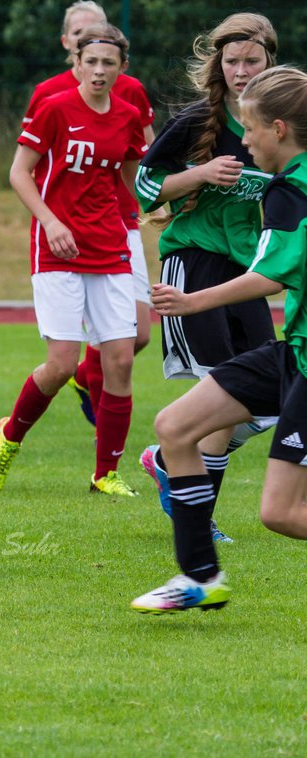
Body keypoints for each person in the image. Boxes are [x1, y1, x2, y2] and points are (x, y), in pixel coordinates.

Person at [132, 64, 307, 614]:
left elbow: (273, 274)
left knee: (280, 513)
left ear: (279, 129)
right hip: (294, 350)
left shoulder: (290, 190)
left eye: (251, 128)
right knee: (176, 427)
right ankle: (200, 576)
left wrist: (190, 301)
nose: (245, 138)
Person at [0, 23, 149, 496]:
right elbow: (19, 173)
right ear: (76, 62)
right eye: (90, 61)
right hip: (57, 249)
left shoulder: (129, 115)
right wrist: (51, 222)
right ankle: (9, 435)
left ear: (122, 69)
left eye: (108, 63)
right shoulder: (55, 108)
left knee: (120, 358)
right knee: (60, 364)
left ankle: (105, 475)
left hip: (109, 246)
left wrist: (165, 205)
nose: (98, 70)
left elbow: (133, 179)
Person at [133, 13, 279, 544]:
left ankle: (170, 461)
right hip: (192, 264)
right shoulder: (199, 120)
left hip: (246, 270)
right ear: (219, 64)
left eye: (252, 60)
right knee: (218, 387)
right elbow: (143, 186)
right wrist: (199, 174)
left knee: (267, 399)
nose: (242, 70)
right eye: (233, 61)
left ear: (270, 62)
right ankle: (198, 514)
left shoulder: (277, 126)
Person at [22, 0, 156, 428]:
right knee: (65, 356)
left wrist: (166, 196)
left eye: (108, 52)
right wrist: (51, 217)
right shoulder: (50, 97)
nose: (99, 63)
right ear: (71, 49)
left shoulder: (130, 95)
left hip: (120, 228)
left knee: (137, 337)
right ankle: (80, 391)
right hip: (66, 232)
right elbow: (30, 167)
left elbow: (144, 159)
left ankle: (90, 385)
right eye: (86, 45)